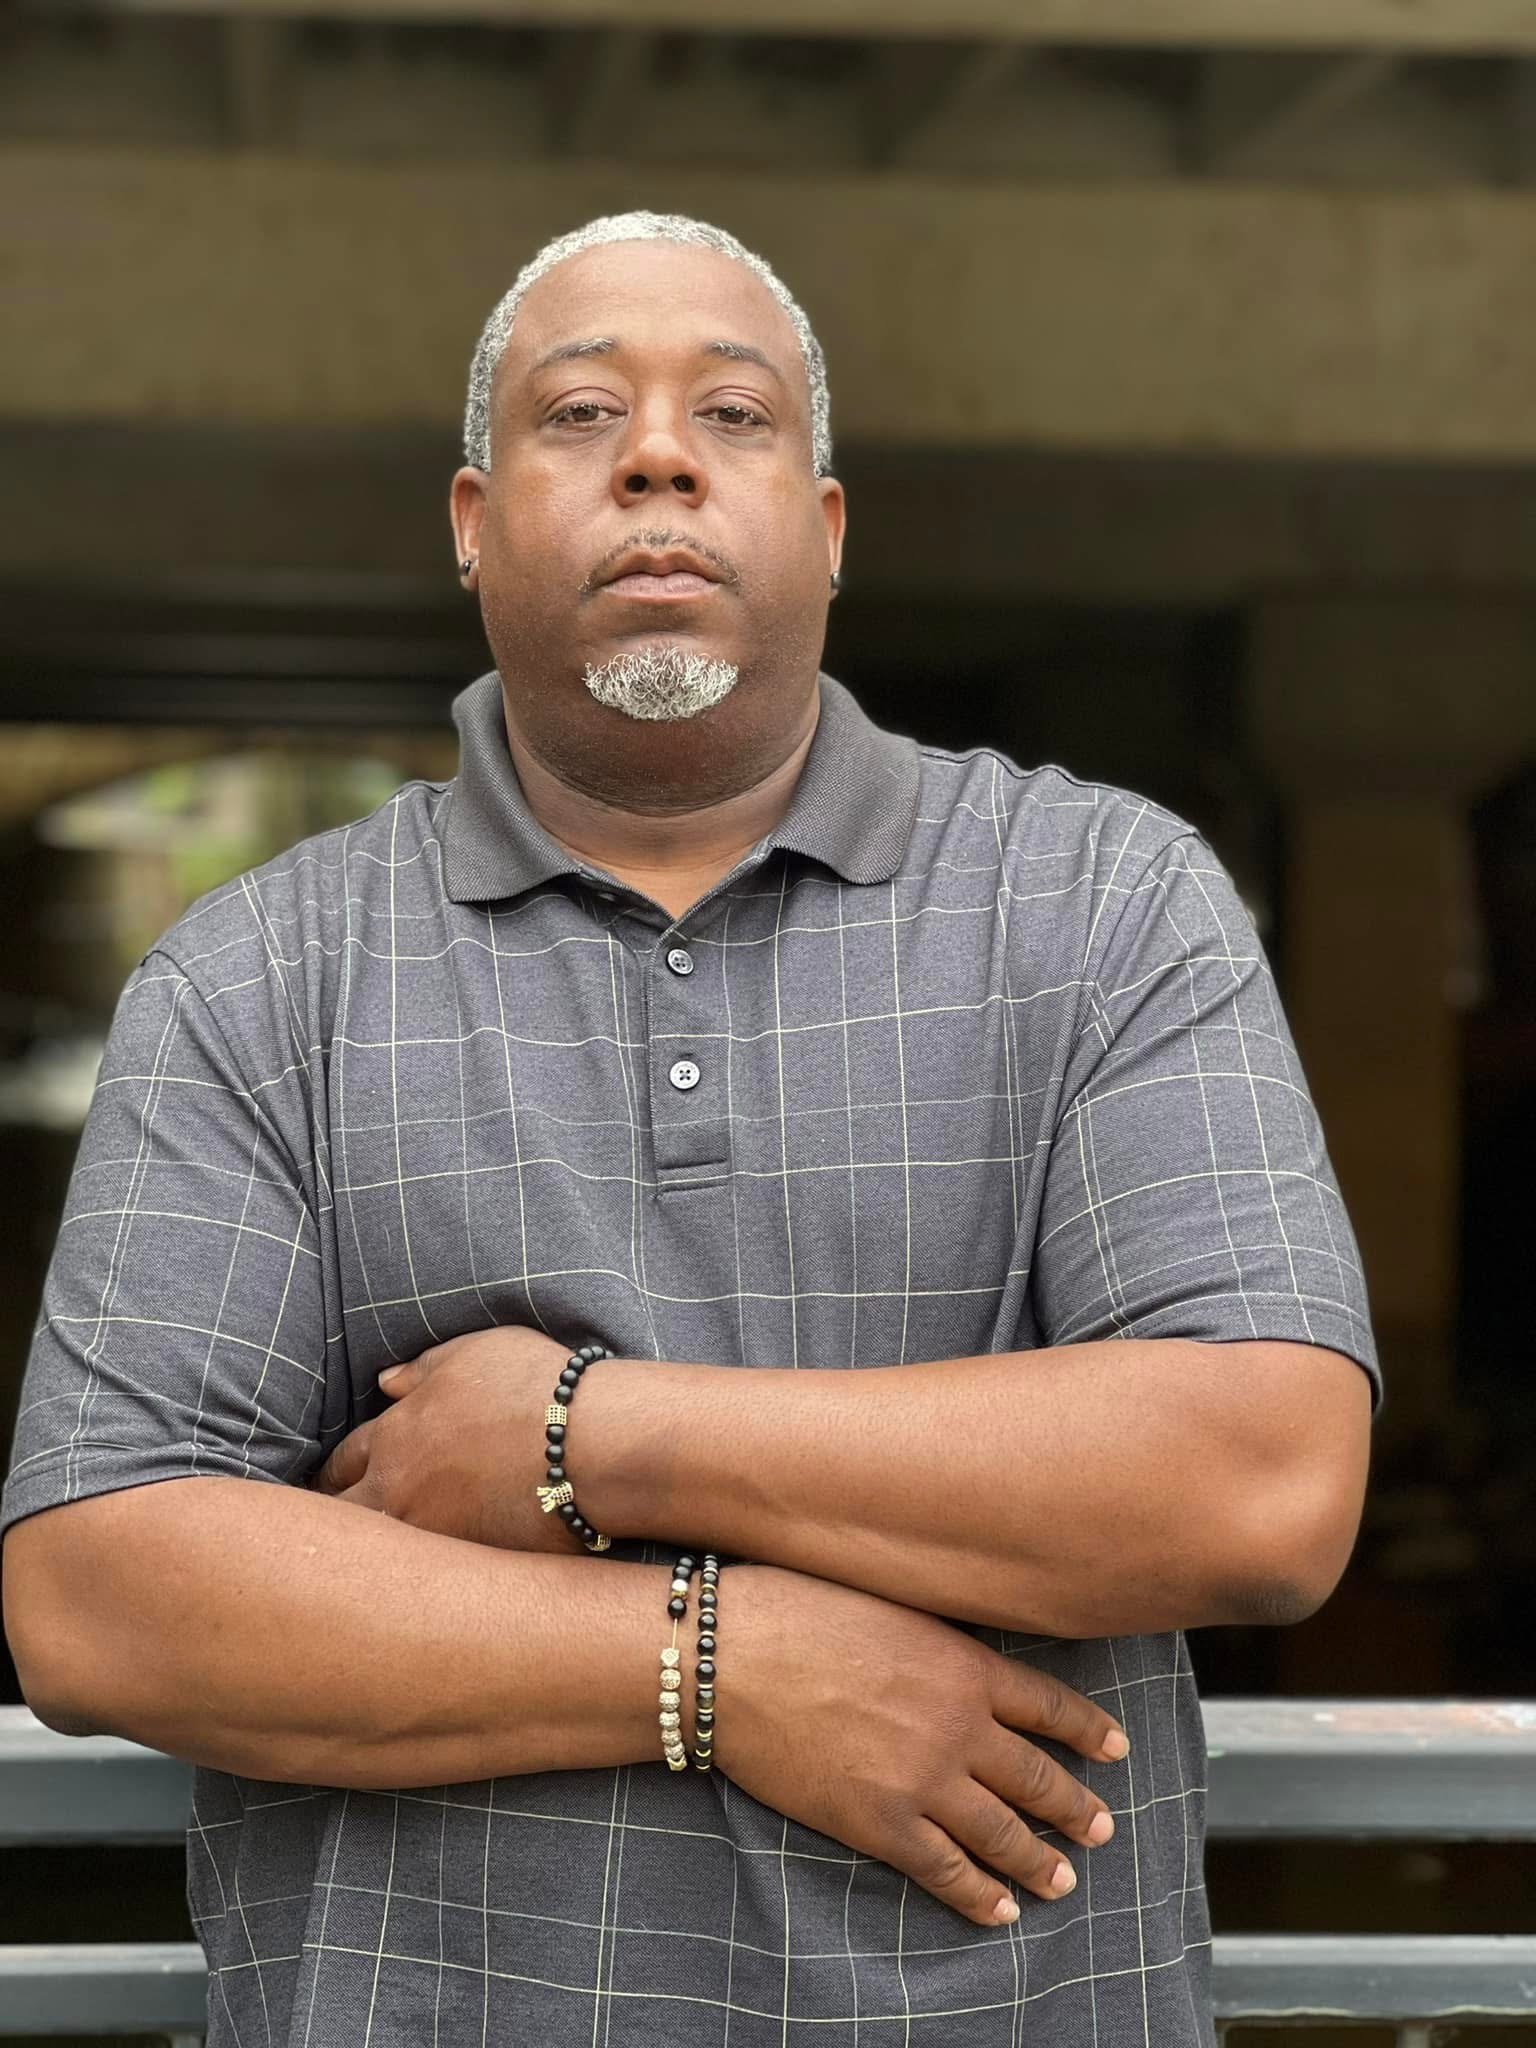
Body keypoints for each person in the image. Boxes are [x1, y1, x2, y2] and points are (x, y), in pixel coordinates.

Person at [1, 212, 1376, 2047]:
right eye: (583, 412)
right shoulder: (266, 974)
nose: (658, 453)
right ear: (476, 527)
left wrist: (585, 1439)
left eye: (732, 413)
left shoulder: (1100, 902)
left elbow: (1265, 1480)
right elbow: (100, 1596)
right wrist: (717, 1669)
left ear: (822, 529)